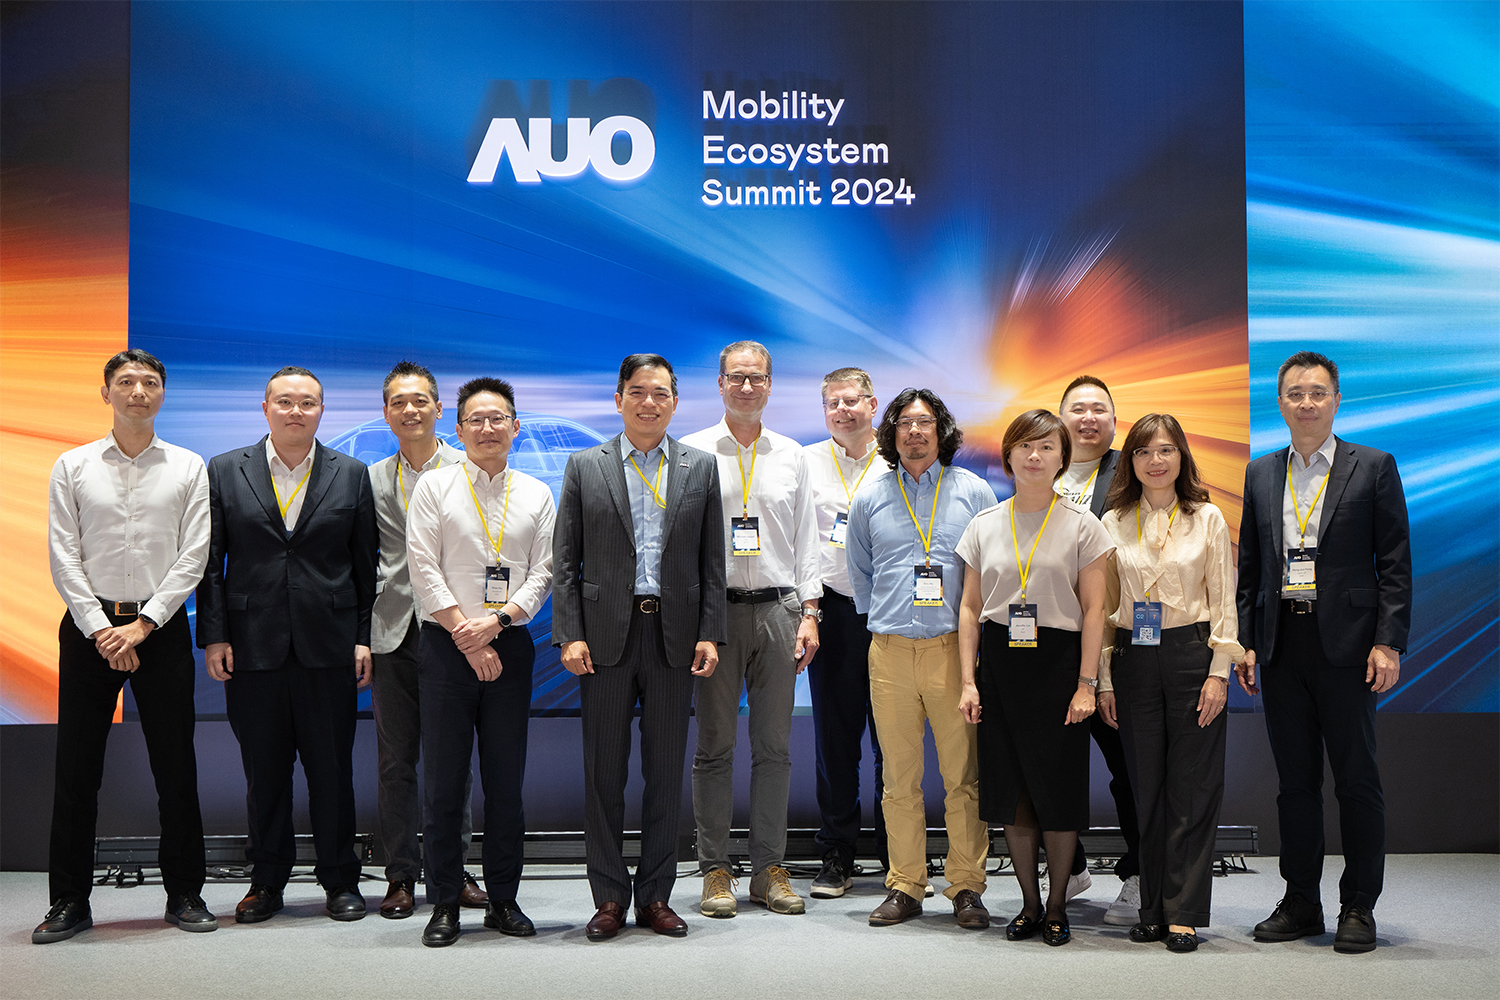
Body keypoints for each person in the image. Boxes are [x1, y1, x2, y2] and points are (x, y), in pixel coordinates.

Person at [34, 350, 215, 943]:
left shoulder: (188, 466)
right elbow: (64, 554)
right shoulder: (73, 465)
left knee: (175, 766)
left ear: (162, 393)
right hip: (90, 629)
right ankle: (68, 901)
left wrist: (143, 625)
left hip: (160, 630)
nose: (139, 391)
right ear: (106, 392)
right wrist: (100, 628)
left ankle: (184, 893)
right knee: (76, 770)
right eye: (127, 382)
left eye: (150, 382)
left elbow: (194, 554)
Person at [1235, 351, 1411, 955]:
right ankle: (1301, 902)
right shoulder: (1261, 473)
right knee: (1295, 784)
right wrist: (1247, 643)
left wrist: (1388, 641)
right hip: (1281, 644)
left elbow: (1395, 563)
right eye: (1295, 393)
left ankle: (1358, 904)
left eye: (1317, 392)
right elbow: (1250, 568)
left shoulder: (1374, 466)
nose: (1306, 402)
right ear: (1279, 403)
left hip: (1351, 647)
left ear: (1336, 400)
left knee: (1356, 781)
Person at [553, 354, 727, 941]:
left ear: (675, 401)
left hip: (674, 636)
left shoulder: (701, 467)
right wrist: (570, 632)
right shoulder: (585, 465)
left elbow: (712, 561)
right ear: (619, 398)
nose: (648, 402)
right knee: (603, 773)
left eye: (659, 393)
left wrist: (710, 631)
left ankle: (655, 895)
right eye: (636, 391)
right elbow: (565, 561)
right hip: (604, 637)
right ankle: (608, 896)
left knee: (664, 773)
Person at [197, 366, 378, 924]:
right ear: (265, 407)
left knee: (332, 772)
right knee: (265, 773)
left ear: (322, 410)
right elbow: (211, 562)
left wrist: (363, 638)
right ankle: (266, 881)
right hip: (252, 646)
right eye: (284, 401)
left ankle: (340, 879)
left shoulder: (351, 473)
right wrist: (215, 635)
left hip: (330, 646)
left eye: (307, 402)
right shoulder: (225, 469)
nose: (295, 411)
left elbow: (366, 565)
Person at [407, 377, 555, 947]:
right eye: (476, 419)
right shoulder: (434, 486)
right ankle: (444, 902)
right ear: (459, 428)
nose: (488, 428)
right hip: (445, 645)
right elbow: (422, 566)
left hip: (510, 645)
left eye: (498, 419)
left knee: (505, 784)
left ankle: (504, 900)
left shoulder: (537, 493)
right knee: (444, 785)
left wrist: (497, 623)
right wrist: (466, 636)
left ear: (515, 428)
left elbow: (544, 571)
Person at [956, 409, 1112, 947]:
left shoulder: (1083, 524)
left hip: (1059, 666)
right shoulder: (984, 524)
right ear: (1009, 455)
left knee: (1058, 791)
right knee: (1013, 791)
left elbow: (1095, 610)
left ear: (1062, 458)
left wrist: (1087, 683)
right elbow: (970, 608)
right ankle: (1028, 904)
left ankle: (1058, 904)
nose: (1034, 456)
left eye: (1047, 446)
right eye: (1024, 445)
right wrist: (969, 681)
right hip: (1001, 667)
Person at [846, 388, 997, 929]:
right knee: (899, 779)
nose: (914, 431)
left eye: (925, 422)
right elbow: (860, 573)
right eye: (905, 423)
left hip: (953, 653)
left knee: (963, 778)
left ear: (941, 430)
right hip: (889, 653)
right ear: (891, 433)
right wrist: (889, 619)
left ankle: (967, 886)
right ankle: (906, 884)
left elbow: (990, 570)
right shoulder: (870, 497)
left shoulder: (973, 492)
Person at [682, 341, 821, 918]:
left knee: (774, 749)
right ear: (720, 383)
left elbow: (807, 538)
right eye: (736, 377)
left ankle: (769, 870)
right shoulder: (691, 451)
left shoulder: (792, 455)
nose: (746, 387)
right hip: (714, 616)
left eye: (756, 378)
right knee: (714, 748)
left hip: (778, 611)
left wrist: (810, 612)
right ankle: (715, 870)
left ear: (769, 384)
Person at [1097, 414, 1242, 953]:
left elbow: (1224, 601)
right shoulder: (1113, 520)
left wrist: (1219, 673)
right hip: (1133, 659)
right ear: (1130, 461)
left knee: (1192, 788)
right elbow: (1106, 609)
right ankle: (1152, 908)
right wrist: (1104, 680)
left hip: (1191, 655)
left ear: (1182, 456)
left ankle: (1184, 912)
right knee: (1147, 787)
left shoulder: (1207, 517)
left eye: (1165, 450)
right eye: (1142, 452)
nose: (1155, 461)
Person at [366, 361, 485, 919]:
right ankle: (399, 875)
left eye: (420, 401)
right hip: (391, 630)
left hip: (453, 629)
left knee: (452, 759)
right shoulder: (369, 478)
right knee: (395, 761)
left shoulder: (471, 467)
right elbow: (358, 562)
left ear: (440, 409)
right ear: (386, 412)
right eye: (398, 402)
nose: (409, 410)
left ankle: (452, 871)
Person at [1056, 375, 1143, 924]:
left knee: (1126, 766)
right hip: (1049, 642)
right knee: (1051, 764)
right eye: (1077, 409)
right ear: (1060, 417)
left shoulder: (1133, 471)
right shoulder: (1039, 468)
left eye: (1099, 410)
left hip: (1111, 644)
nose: (1088, 418)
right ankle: (1071, 866)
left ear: (1114, 420)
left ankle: (1139, 873)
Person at [801, 367, 887, 896]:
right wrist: (807, 611)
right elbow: (797, 543)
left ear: (872, 404)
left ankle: (899, 857)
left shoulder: (898, 459)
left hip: (891, 615)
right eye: (833, 402)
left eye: (851, 401)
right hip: (831, 613)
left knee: (893, 744)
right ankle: (837, 855)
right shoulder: (806, 462)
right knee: (835, 744)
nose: (842, 410)